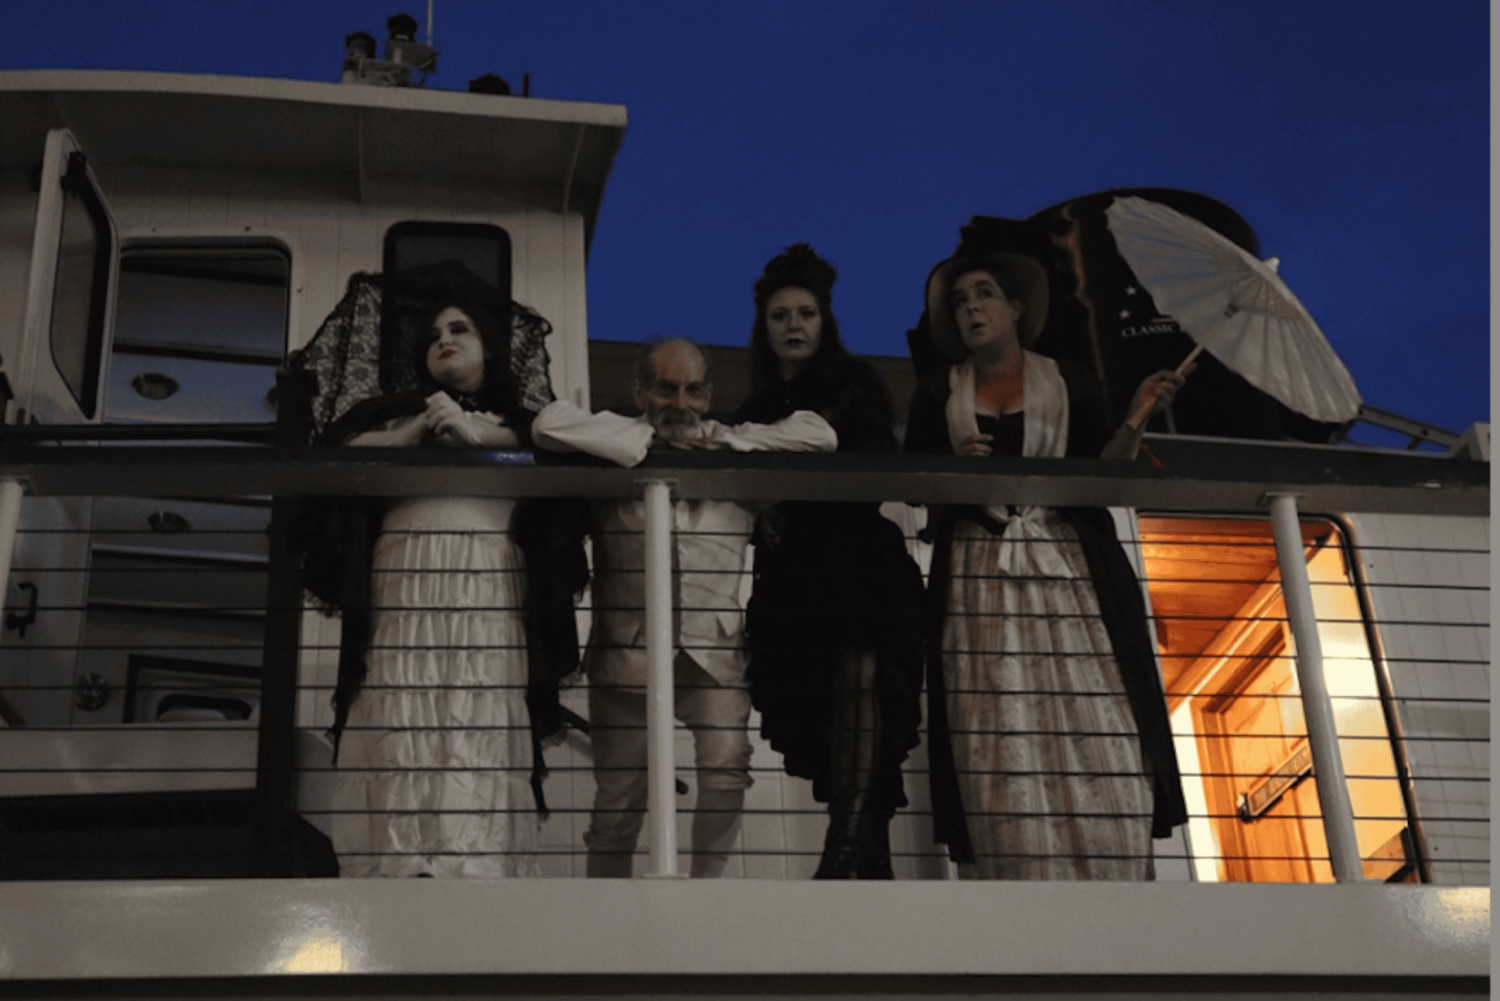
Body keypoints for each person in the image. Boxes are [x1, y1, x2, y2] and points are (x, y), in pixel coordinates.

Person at [904, 252, 1189, 880]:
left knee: (1099, 705)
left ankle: (1116, 864)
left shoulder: (1070, 381)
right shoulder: (936, 391)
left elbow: (1105, 478)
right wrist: (953, 466)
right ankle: (1023, 869)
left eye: (984, 294)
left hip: (1069, 567)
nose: (972, 308)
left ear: (1014, 308)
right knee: (995, 717)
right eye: (960, 301)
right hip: (979, 573)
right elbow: (914, 490)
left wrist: (1137, 416)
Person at [531, 337, 837, 877]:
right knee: (619, 802)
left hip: (713, 654)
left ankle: (703, 897)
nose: (681, 403)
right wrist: (644, 443)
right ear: (640, 392)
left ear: (709, 394)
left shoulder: (735, 445)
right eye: (666, 389)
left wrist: (728, 447)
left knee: (726, 771)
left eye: (694, 390)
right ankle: (608, 919)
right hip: (627, 654)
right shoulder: (616, 443)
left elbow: (820, 435)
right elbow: (547, 423)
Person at [320, 269, 552, 878]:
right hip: (406, 573)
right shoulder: (392, 417)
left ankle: (469, 866)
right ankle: (396, 864)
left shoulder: (522, 423)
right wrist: (416, 429)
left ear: (490, 346)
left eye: (459, 329)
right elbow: (338, 455)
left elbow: (543, 457)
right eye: (433, 335)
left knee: (476, 705)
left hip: (485, 576)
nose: (444, 340)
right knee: (402, 703)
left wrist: (473, 433)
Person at [733, 244, 926, 879]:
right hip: (795, 584)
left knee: (864, 685)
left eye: (806, 313)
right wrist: (765, 510)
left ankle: (841, 853)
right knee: (825, 715)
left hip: (860, 567)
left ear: (825, 320)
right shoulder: (753, 410)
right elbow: (741, 493)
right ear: (765, 327)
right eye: (780, 315)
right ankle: (868, 866)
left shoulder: (856, 384)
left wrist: (783, 498)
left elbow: (870, 473)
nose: (794, 325)